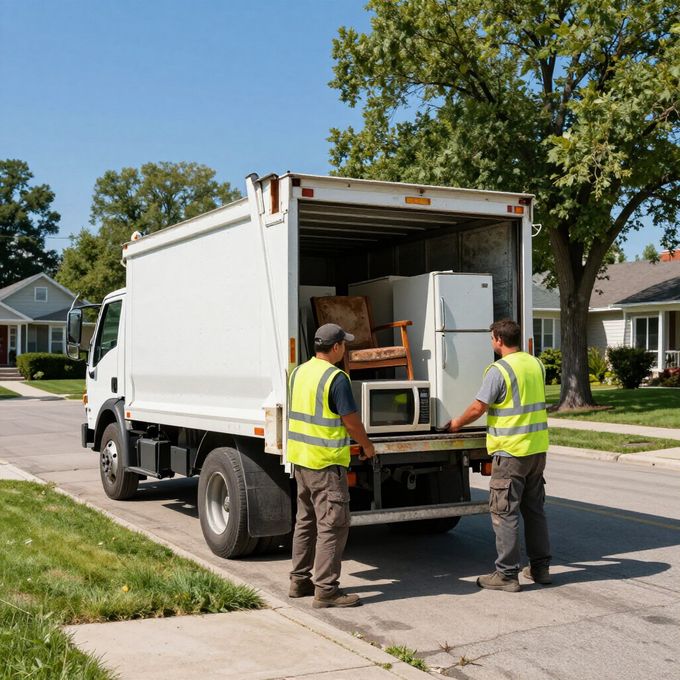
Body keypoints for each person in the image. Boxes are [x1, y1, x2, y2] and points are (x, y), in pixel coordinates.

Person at [448, 318, 551, 592]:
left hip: (511, 452)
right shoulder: (536, 364)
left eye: (491, 338)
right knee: (534, 510)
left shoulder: (499, 370)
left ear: (497, 339)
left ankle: (506, 574)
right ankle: (540, 568)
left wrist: (455, 423)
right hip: (537, 449)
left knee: (504, 512)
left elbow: (478, 408)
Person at [287, 322, 375, 608]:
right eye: (344, 344)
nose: (345, 348)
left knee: (305, 522)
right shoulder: (336, 378)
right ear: (336, 347)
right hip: (326, 464)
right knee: (333, 526)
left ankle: (299, 581)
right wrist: (367, 445)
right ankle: (326, 590)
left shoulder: (298, 372)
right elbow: (350, 421)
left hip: (301, 460)